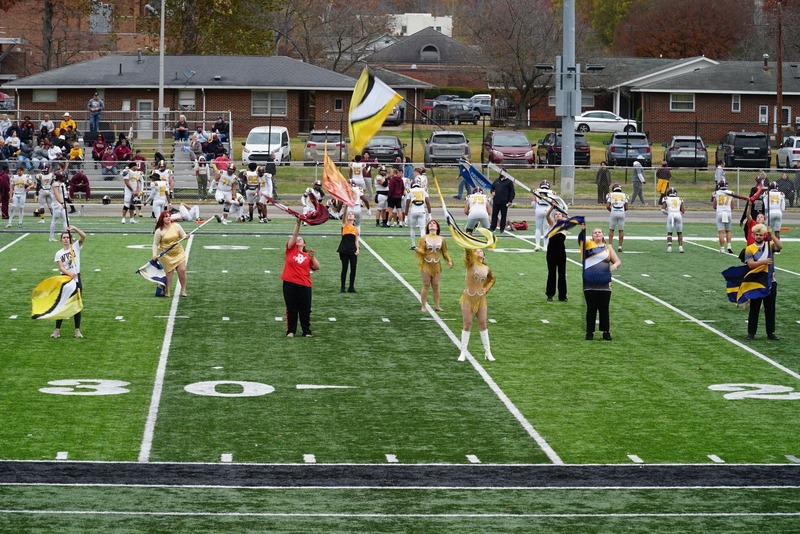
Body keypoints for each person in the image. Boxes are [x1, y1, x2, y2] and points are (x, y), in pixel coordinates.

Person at [580, 225, 622, 341]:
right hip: (589, 283)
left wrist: (614, 265)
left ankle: (606, 331)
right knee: (591, 308)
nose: (597, 234)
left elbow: (618, 261)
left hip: (604, 283)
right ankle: (589, 332)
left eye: (599, 232)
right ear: (592, 236)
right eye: (595, 233)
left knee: (604, 308)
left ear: (603, 235)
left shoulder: (608, 248)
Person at [281, 218, 320, 337]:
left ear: (304, 244)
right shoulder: (290, 250)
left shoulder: (307, 255)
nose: (298, 239)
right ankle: (291, 331)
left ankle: (306, 331)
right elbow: (294, 235)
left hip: (305, 284)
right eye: (297, 239)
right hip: (290, 283)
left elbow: (317, 267)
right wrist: (298, 223)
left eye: (301, 239)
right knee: (291, 308)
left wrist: (312, 257)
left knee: (305, 309)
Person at [744, 223, 782, 341]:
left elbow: (780, 246)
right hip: (757, 282)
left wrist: (772, 236)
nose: (759, 237)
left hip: (770, 281)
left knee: (770, 309)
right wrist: (764, 262)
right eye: (757, 235)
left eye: (761, 235)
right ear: (753, 235)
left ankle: (770, 332)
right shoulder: (749, 249)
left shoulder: (769, 245)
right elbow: (750, 264)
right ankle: (751, 332)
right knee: (754, 308)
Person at [458, 248, 496, 362]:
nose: (478, 252)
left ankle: (488, 352)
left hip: (481, 299)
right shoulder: (470, 264)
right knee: (467, 324)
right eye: (476, 251)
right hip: (468, 298)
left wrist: (486, 289)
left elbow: (492, 279)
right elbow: (467, 252)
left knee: (483, 323)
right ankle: (463, 352)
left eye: (480, 251)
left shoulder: (486, 268)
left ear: (484, 255)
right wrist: (468, 241)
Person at [50, 225, 87, 339]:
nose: (66, 239)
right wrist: (69, 274)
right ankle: (57, 330)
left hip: (76, 279)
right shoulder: (59, 253)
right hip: (65, 279)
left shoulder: (75, 247)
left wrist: (75, 228)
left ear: (70, 239)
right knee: (62, 304)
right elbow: (61, 267)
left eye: (67, 237)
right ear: (61, 240)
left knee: (76, 305)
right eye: (64, 237)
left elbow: (83, 236)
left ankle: (77, 330)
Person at [413, 219, 454, 313]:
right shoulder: (424, 238)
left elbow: (445, 252)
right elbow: (423, 251)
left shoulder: (442, 239)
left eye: (434, 223)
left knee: (436, 285)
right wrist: (418, 250)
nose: (432, 224)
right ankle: (423, 306)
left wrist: (450, 260)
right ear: (427, 227)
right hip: (426, 264)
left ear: (437, 227)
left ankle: (437, 306)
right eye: (430, 223)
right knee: (426, 285)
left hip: (436, 265)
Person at [152, 211, 188, 298]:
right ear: (162, 219)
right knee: (169, 273)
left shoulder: (176, 226)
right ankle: (167, 290)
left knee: (182, 270)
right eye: (166, 217)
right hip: (166, 254)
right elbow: (155, 244)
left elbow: (183, 235)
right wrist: (154, 254)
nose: (168, 218)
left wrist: (186, 236)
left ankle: (183, 290)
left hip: (178, 252)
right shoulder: (159, 231)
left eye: (169, 216)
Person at [545, 204, 569, 302]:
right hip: (551, 252)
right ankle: (550, 294)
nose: (558, 215)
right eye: (556, 214)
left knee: (562, 274)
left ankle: (562, 296)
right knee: (552, 273)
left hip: (561, 252)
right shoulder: (552, 224)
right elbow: (547, 216)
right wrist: (552, 207)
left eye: (559, 214)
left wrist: (565, 214)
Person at [337, 206, 359, 293]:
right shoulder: (344, 225)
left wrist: (357, 249)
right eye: (349, 214)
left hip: (352, 250)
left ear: (355, 218)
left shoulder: (355, 229)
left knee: (353, 268)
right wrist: (346, 206)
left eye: (352, 214)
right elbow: (344, 216)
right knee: (344, 268)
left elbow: (356, 240)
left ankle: (351, 287)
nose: (350, 215)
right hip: (344, 249)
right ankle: (342, 287)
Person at [405, 177, 431, 248]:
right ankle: (422, 245)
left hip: (413, 211)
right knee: (422, 229)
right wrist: (430, 214)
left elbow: (407, 204)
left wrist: (406, 215)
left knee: (412, 228)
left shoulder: (409, 190)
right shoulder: (424, 190)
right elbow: (428, 203)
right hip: (422, 211)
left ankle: (413, 245)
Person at [712, 178, 735, 253]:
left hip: (720, 212)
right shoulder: (731, 192)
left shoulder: (716, 193)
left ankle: (722, 248)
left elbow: (714, 205)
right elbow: (732, 205)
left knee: (721, 232)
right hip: (728, 212)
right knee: (728, 230)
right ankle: (729, 245)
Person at [606, 182, 629, 252]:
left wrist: (612, 210)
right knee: (621, 230)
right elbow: (626, 207)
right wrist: (621, 211)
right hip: (622, 212)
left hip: (613, 212)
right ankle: (620, 246)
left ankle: (610, 245)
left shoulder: (610, 195)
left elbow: (607, 206)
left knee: (611, 229)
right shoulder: (625, 195)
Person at [532, 180, 554, 251]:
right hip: (547, 210)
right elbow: (554, 203)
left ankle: (537, 245)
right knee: (546, 229)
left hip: (539, 210)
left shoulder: (536, 192)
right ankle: (545, 246)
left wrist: (537, 207)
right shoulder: (552, 193)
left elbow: (533, 204)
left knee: (538, 228)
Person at [662, 187, 685, 253]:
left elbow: (663, 209)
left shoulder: (665, 198)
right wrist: (678, 213)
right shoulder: (680, 199)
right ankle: (680, 247)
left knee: (670, 232)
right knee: (679, 232)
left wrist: (669, 213)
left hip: (671, 214)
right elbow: (683, 210)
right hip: (678, 214)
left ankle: (669, 247)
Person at [49, 172, 68, 242]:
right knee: (55, 221)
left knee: (66, 219)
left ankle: (66, 235)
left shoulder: (61, 184)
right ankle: (51, 237)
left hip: (61, 204)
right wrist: (62, 203)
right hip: (57, 204)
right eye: (63, 177)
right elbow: (57, 195)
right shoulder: (55, 184)